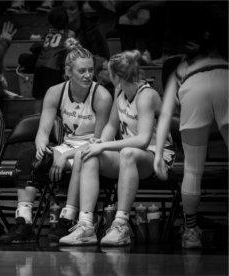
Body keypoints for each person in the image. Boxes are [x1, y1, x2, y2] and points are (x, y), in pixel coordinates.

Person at [0, 38, 112, 243]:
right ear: (69, 72)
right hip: (67, 146)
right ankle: (23, 222)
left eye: (90, 70)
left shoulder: (102, 96)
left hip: (92, 149)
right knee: (28, 157)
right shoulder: (55, 92)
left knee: (81, 158)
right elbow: (43, 130)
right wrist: (41, 146)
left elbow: (100, 141)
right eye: (82, 71)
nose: (88, 75)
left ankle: (66, 221)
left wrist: (65, 155)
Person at [58, 50, 175, 246]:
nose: (102, 74)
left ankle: (121, 226)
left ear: (116, 76)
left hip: (157, 157)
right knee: (89, 154)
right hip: (129, 155)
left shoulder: (147, 95)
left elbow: (143, 141)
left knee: (128, 153)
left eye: (106, 71)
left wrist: (104, 145)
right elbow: (112, 125)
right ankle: (86, 225)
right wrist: (98, 144)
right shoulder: (119, 91)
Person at [154, 20, 228, 248]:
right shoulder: (223, 55)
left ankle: (191, 232)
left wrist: (158, 152)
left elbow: (165, 113)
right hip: (225, 80)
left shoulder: (180, 66)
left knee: (193, 170)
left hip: (193, 86)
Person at [32, 6, 74, 99]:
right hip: (53, 68)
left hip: (39, 67)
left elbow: (36, 47)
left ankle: (37, 114)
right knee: (53, 98)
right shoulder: (70, 34)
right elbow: (72, 52)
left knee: (39, 97)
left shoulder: (47, 33)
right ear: (66, 20)